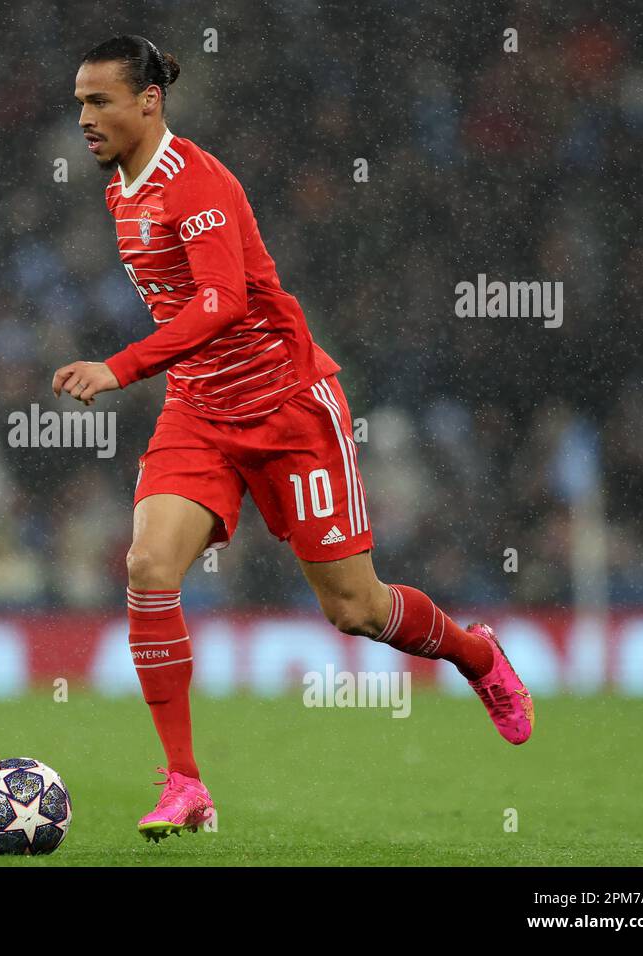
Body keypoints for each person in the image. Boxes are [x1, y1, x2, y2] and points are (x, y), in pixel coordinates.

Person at [53, 35, 535, 844]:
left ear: (149, 101)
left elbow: (222, 304)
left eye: (99, 101)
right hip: (201, 412)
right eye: (78, 103)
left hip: (288, 412)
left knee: (355, 609)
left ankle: (477, 657)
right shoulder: (119, 193)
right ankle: (185, 783)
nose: (84, 118)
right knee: (146, 566)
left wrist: (120, 367)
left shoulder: (196, 183)